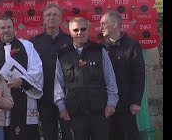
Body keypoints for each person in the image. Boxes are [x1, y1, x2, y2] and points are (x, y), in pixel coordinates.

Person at [54, 17, 119, 140]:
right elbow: (58, 84)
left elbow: (111, 80)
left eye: (83, 29)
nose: (79, 33)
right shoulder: (63, 54)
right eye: (76, 30)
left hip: (99, 112)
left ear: (88, 30)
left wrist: (111, 103)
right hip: (75, 114)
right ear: (70, 32)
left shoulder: (99, 51)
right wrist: (61, 108)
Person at [0, 15, 43, 140]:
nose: (6, 30)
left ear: (14, 28)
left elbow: (37, 69)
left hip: (23, 96)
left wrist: (21, 81)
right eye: (3, 28)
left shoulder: (27, 46)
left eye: (9, 27)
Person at [30, 3, 73, 140]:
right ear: (43, 19)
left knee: (69, 134)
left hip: (67, 98)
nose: (51, 18)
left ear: (60, 18)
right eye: (48, 15)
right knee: (49, 135)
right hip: (45, 98)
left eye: (55, 14)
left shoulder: (70, 41)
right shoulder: (35, 42)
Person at [100, 10, 146, 140]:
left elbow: (138, 75)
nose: (100, 27)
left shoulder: (132, 46)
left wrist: (136, 102)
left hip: (125, 105)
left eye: (103, 23)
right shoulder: (100, 47)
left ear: (114, 24)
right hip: (106, 104)